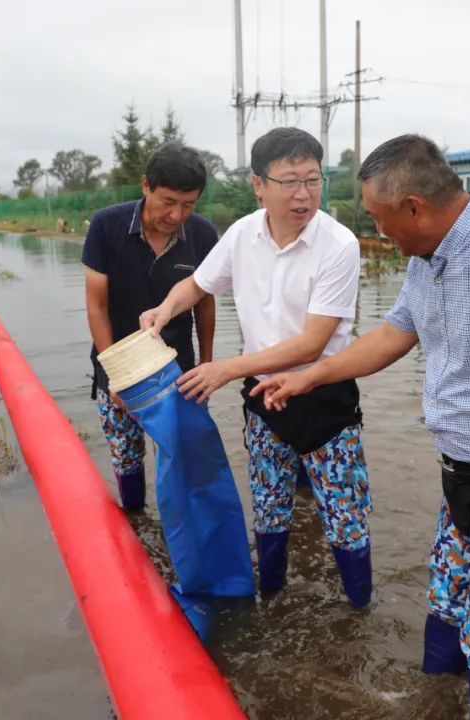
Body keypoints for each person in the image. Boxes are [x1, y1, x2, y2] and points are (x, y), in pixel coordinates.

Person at [253, 134, 470, 718]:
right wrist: (313, 375)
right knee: (446, 604)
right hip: (462, 475)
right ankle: (436, 704)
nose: (379, 232)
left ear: (413, 206)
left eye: (380, 218)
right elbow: (394, 333)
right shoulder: (427, 257)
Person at [140, 127, 373, 607]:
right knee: (269, 510)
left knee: (345, 517)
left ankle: (359, 609)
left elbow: (312, 341)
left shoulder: (339, 244)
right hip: (264, 398)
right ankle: (270, 596)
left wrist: (225, 368)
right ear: (258, 185)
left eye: (313, 179)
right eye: (289, 181)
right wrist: (165, 308)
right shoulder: (242, 234)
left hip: (324, 396)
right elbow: (199, 285)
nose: (303, 194)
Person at [82, 141, 218, 510]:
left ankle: (177, 542)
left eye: (188, 204)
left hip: (178, 372)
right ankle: (135, 526)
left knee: (180, 459)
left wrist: (206, 366)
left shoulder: (203, 235)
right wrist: (114, 377)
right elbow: (96, 306)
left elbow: (205, 305)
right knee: (126, 456)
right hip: (116, 366)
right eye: (168, 201)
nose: (176, 215)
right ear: (146, 186)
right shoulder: (107, 226)